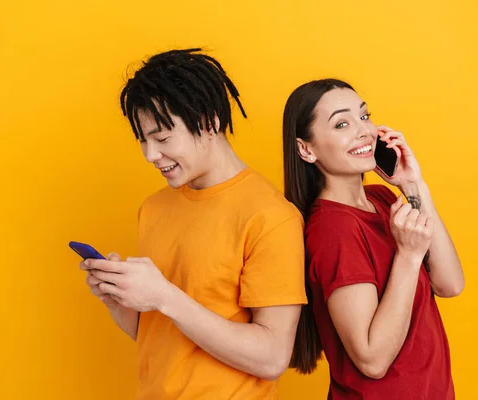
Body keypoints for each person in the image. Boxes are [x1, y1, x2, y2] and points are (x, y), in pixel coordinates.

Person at [79, 48, 307, 400]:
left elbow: (272, 357)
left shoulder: (272, 217)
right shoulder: (154, 208)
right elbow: (161, 337)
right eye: (143, 140)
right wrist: (119, 300)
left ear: (210, 120)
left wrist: (163, 295)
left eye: (163, 138)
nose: (151, 155)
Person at [283, 79, 464, 399]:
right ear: (305, 149)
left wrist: (413, 185)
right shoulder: (333, 230)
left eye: (364, 117)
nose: (364, 131)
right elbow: (372, 359)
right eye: (342, 123)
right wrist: (407, 258)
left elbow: (450, 285)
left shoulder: (382, 198)